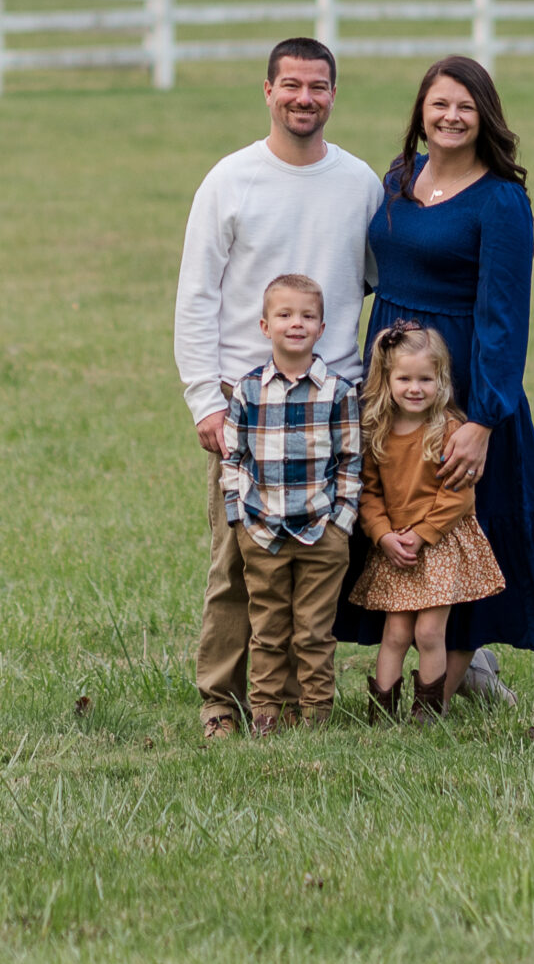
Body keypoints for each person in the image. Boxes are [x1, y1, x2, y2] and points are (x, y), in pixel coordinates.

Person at [174, 38, 383, 739]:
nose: (304, 97)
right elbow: (197, 295)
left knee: (322, 564)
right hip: (247, 405)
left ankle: (298, 703)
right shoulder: (231, 180)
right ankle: (220, 702)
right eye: (291, 84)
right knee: (240, 562)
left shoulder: (358, 183)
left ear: (333, 95)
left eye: (318, 86)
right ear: (267, 91)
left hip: (334, 405)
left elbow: (388, 276)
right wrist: (205, 396)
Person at [337, 55, 534, 697]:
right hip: (392, 371)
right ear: (421, 113)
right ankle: (386, 666)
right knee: (385, 506)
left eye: (465, 106)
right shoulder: (398, 178)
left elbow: (504, 316)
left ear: (484, 116)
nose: (451, 117)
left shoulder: (501, 200)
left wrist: (486, 419)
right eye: (440, 104)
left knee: (466, 522)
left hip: (460, 375)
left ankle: (457, 677)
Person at [217, 274, 363, 734]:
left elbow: (350, 461)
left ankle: (316, 716)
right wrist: (239, 519)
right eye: (284, 315)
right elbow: (234, 458)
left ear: (321, 328)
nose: (295, 324)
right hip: (262, 533)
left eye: (306, 316)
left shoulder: (338, 391)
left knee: (315, 631)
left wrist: (341, 522)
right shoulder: (248, 390)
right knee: (269, 630)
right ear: (264, 326)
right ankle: (266, 716)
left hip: (322, 533)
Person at [350, 323, 505, 721]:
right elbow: (368, 493)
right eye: (404, 378)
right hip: (396, 548)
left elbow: (459, 495)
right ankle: (382, 711)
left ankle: (429, 713)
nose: (414, 388)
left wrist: (421, 535)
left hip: (438, 546)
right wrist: (383, 535)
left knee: (429, 632)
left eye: (426, 378)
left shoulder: (448, 430)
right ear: (386, 380)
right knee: (396, 633)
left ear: (442, 380)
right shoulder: (378, 433)